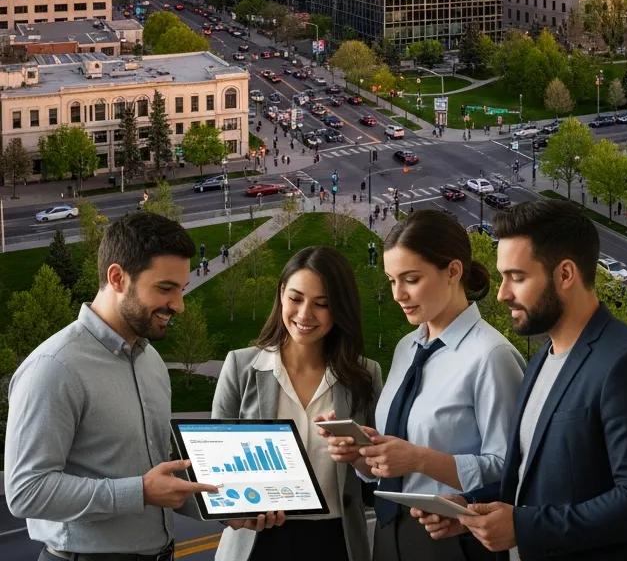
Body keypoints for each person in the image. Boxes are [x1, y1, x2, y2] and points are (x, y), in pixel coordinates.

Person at [5, 211, 282, 558]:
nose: (179, 305)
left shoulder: (151, 362)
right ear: (118, 277)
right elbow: (26, 491)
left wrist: (228, 510)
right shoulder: (54, 368)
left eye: (180, 289)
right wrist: (139, 492)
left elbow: (158, 479)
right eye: (165, 289)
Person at [413, 200, 627, 560]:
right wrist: (469, 508)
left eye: (517, 277)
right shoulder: (540, 361)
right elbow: (529, 479)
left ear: (565, 275)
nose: (503, 292)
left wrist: (523, 527)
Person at [324, 209, 525, 561]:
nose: (398, 294)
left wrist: (418, 459)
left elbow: (511, 470)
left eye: (411, 279)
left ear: (453, 271)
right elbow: (396, 464)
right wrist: (362, 457)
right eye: (391, 280)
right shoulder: (406, 348)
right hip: (389, 534)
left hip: (456, 539)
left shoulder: (491, 357)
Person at [213, 245, 382, 560]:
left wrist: (357, 456)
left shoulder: (366, 375)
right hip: (256, 542)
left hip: (334, 542)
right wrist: (238, 510)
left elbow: (377, 473)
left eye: (322, 304)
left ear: (340, 308)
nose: (305, 315)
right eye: (296, 298)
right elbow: (211, 472)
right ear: (281, 294)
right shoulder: (240, 366)